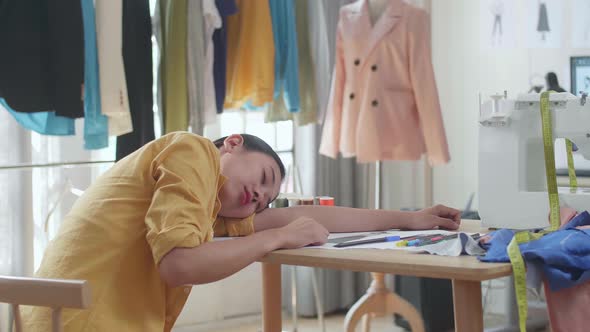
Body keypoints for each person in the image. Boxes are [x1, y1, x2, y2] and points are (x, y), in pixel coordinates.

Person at [22, 132, 461, 332]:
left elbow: (302, 218)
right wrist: (271, 239)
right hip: (78, 321)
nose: (261, 198)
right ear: (232, 142)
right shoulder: (192, 152)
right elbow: (179, 266)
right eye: (265, 177)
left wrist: (405, 218)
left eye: (267, 199)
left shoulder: (205, 203)